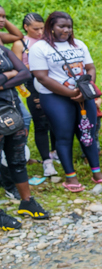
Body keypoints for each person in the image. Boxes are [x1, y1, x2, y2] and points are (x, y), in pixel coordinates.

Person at [29, 11, 102, 192]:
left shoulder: (78, 45)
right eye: (61, 26)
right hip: (55, 97)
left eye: (69, 26)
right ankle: (71, 176)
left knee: (88, 133)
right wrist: (71, 92)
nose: (66, 30)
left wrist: (85, 87)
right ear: (51, 27)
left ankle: (96, 172)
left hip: (82, 95)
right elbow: (42, 77)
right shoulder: (40, 48)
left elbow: (90, 67)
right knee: (64, 136)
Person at [0, 41, 50, 231]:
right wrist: (9, 74)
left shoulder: (3, 50)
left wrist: (4, 83)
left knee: (17, 159)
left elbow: (25, 74)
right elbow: (17, 73)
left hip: (12, 113)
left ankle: (27, 202)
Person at [10, 13, 57, 177]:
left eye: (42, 28)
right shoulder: (20, 43)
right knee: (41, 122)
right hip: (32, 85)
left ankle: (56, 152)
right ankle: (46, 161)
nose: (39, 32)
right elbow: (16, 69)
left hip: (51, 82)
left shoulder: (47, 40)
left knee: (55, 120)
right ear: (26, 27)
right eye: (35, 29)